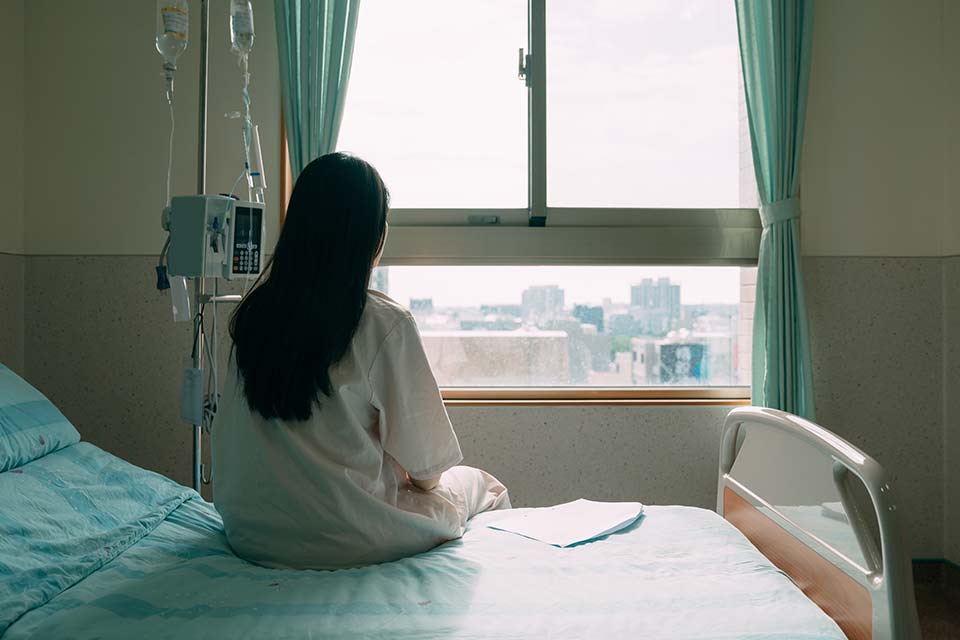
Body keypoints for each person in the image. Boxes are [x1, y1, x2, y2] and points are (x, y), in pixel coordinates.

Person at [212, 153, 510, 570]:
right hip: (347, 537)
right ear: (371, 237)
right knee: (484, 486)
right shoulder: (383, 324)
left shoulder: (253, 318)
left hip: (251, 533)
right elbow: (427, 473)